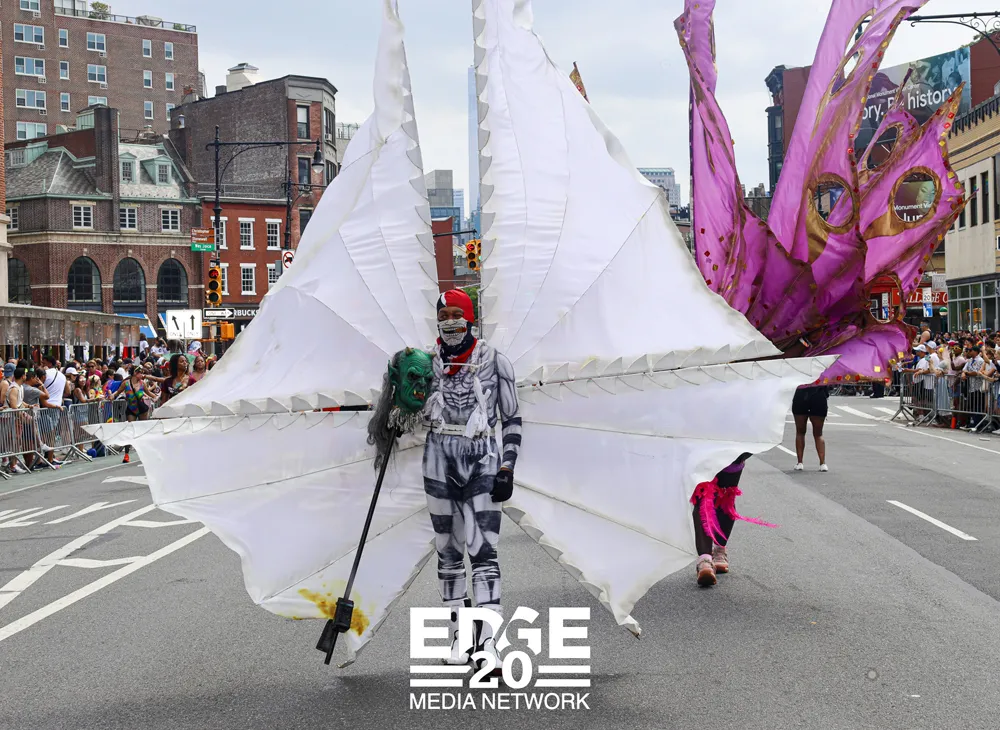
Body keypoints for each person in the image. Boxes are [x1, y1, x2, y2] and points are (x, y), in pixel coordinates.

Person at [422, 289, 520, 671]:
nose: (450, 321)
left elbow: (511, 418)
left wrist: (507, 467)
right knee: (447, 551)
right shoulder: (425, 363)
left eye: (455, 314)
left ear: (469, 317)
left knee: (483, 551)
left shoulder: (495, 360)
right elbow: (408, 408)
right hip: (438, 457)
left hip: (482, 457)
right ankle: (460, 638)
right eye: (443, 315)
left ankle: (489, 646)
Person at [115, 368, 153, 464]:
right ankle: (126, 455)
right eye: (141, 373)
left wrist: (156, 397)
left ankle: (146, 453)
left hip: (142, 409)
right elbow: (117, 392)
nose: (142, 375)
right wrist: (111, 396)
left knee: (143, 431)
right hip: (131, 409)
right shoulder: (126, 383)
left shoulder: (142, 383)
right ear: (135, 373)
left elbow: (149, 393)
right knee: (129, 431)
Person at [791, 384, 828, 472]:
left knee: (800, 432)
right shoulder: (822, 374)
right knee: (818, 434)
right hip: (818, 396)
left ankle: (800, 463)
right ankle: (822, 463)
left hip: (800, 396)